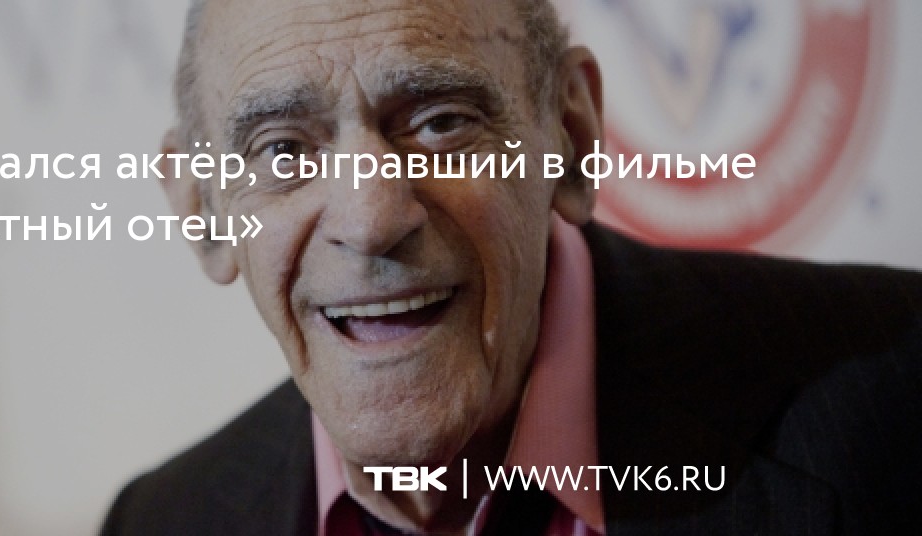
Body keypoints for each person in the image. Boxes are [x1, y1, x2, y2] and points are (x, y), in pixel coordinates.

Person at [101, 0, 922, 534]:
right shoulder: (164, 521)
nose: (370, 219)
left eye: (440, 121)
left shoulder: (895, 397)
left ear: (571, 134)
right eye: (282, 150)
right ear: (203, 210)